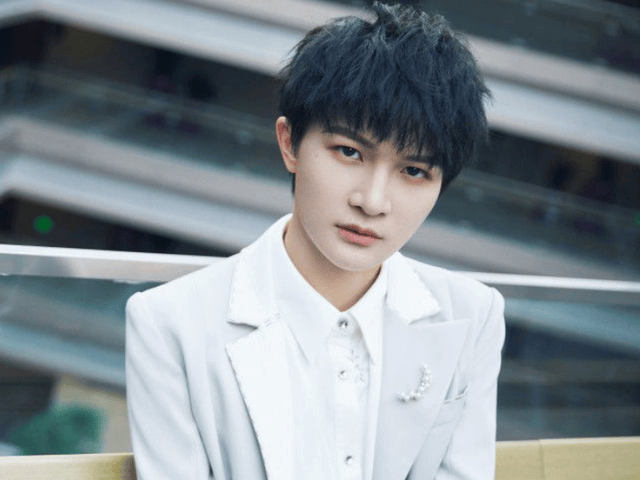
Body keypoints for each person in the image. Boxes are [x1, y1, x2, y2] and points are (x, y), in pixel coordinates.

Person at [125, 3, 505, 480]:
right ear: (290, 143)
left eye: (413, 171)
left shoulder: (472, 315)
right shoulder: (169, 324)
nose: (373, 202)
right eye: (349, 151)